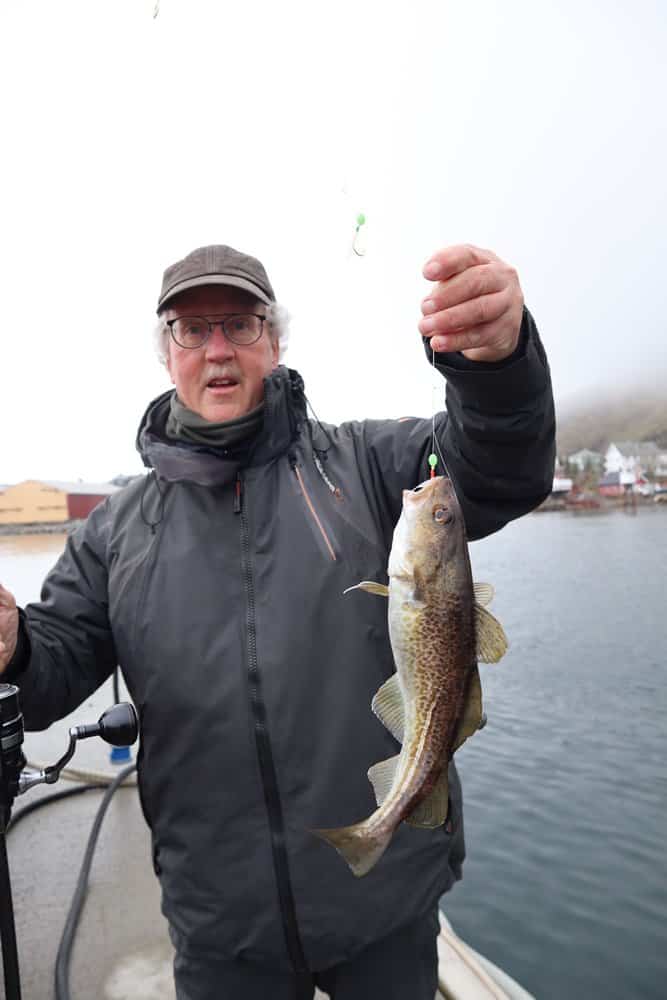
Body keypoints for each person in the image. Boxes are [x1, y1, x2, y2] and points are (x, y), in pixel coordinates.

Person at [0, 243, 555, 1000]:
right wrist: (14, 649)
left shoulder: (371, 465)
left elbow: (498, 467)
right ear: (167, 354)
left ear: (276, 339)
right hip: (219, 924)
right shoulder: (113, 529)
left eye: (240, 323)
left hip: (385, 905)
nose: (218, 349)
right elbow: (50, 673)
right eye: (192, 331)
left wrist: (495, 367)